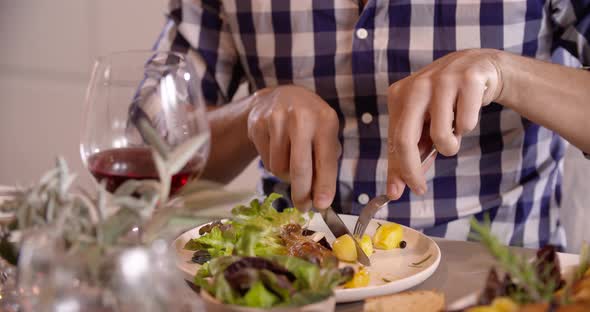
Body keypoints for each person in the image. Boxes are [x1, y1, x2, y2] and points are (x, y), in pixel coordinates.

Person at [153, 0, 590, 249]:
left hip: (502, 279)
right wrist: (251, 111)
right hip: (295, 284)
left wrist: (505, 74)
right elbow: (149, 150)